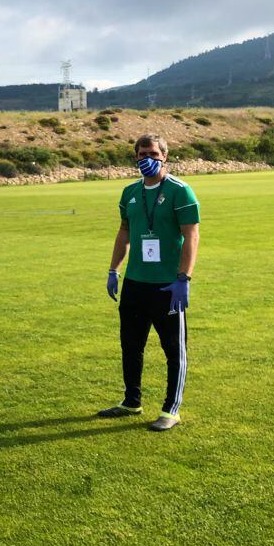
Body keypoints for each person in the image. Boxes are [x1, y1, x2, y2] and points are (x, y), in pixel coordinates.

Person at [100, 134, 200, 431]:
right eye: (142, 153)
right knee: (131, 345)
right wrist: (113, 270)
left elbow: (191, 235)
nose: (147, 158)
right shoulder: (129, 192)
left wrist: (184, 278)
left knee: (173, 348)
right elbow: (124, 232)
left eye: (153, 153)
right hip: (135, 283)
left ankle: (171, 409)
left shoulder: (180, 191)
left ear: (164, 156)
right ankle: (131, 401)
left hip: (167, 285)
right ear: (135, 156)